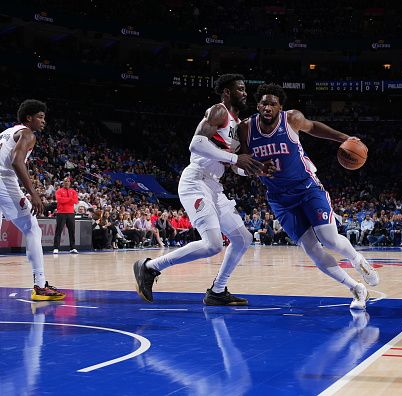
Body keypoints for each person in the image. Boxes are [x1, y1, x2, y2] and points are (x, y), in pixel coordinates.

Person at [238, 83, 379, 310]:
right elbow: (242, 161)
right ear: (258, 105)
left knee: (330, 239)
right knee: (312, 250)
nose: (268, 107)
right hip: (279, 198)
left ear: (280, 107)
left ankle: (357, 260)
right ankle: (356, 288)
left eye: (273, 104)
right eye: (264, 103)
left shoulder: (291, 118)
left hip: (307, 187)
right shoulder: (246, 128)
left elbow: (313, 127)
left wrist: (345, 138)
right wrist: (255, 169)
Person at [133, 74, 264, 305]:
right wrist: (235, 158)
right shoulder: (219, 110)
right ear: (226, 92)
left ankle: (217, 291)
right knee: (213, 244)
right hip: (195, 181)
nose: (245, 93)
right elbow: (196, 144)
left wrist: (254, 169)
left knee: (243, 237)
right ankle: (150, 267)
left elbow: (235, 167)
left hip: (215, 185)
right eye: (240, 89)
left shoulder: (238, 124)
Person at [0, 99, 65, 300]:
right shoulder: (28, 133)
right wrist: (34, 194)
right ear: (29, 118)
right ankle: (40, 285)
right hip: (3, 180)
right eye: (40, 117)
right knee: (31, 227)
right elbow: (17, 161)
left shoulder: (6, 132)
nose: (43, 121)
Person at [52, 177, 79, 254]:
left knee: (72, 231)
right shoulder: (59, 191)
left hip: (71, 213)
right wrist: (70, 199)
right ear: (63, 183)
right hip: (61, 213)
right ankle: (56, 248)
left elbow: (76, 201)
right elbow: (59, 200)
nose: (67, 182)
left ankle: (72, 248)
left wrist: (66, 199)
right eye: (65, 181)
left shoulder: (73, 191)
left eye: (68, 181)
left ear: (70, 183)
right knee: (58, 231)